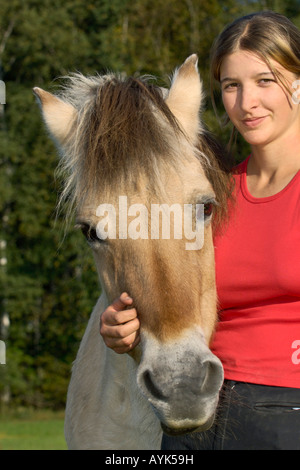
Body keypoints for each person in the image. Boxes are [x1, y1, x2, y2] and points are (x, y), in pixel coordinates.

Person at [99, 11, 300, 450]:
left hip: (288, 409)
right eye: (231, 86)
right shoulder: (209, 200)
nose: (246, 102)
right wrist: (122, 328)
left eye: (266, 80)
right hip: (197, 407)